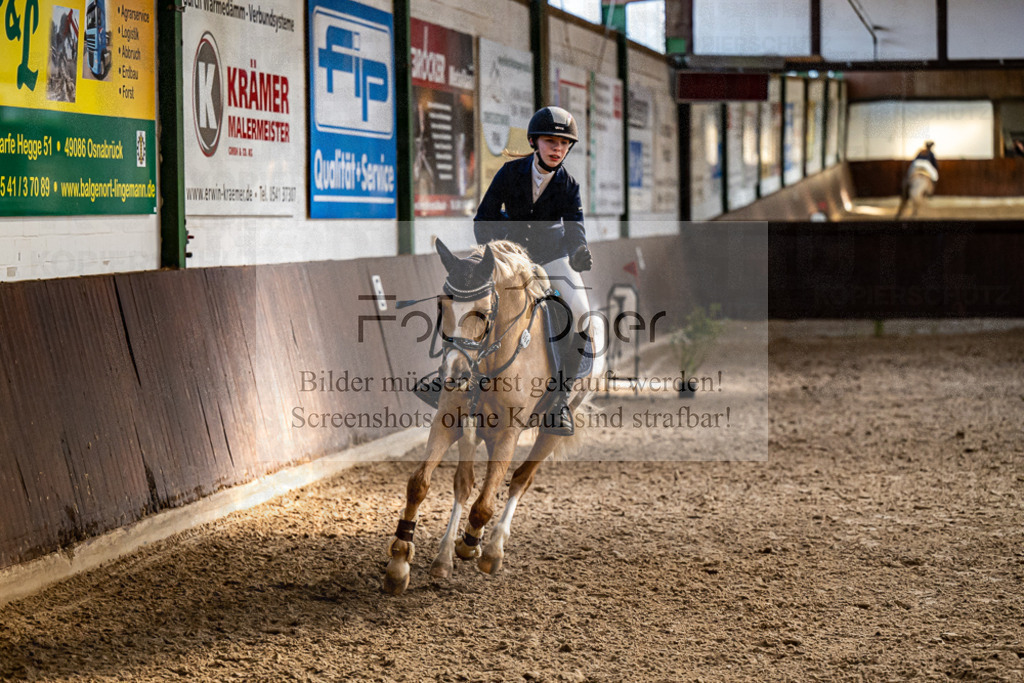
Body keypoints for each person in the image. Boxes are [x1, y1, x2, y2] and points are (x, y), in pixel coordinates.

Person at [473, 105, 593, 436]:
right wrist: (497, 249)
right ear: (533, 142)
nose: (558, 149)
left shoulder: (568, 184)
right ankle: (449, 379)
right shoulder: (509, 173)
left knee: (582, 314)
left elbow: (574, 229)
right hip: (511, 256)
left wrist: (580, 253)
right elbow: (483, 218)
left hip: (552, 256)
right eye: (551, 141)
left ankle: (560, 402)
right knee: (465, 297)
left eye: (564, 143)